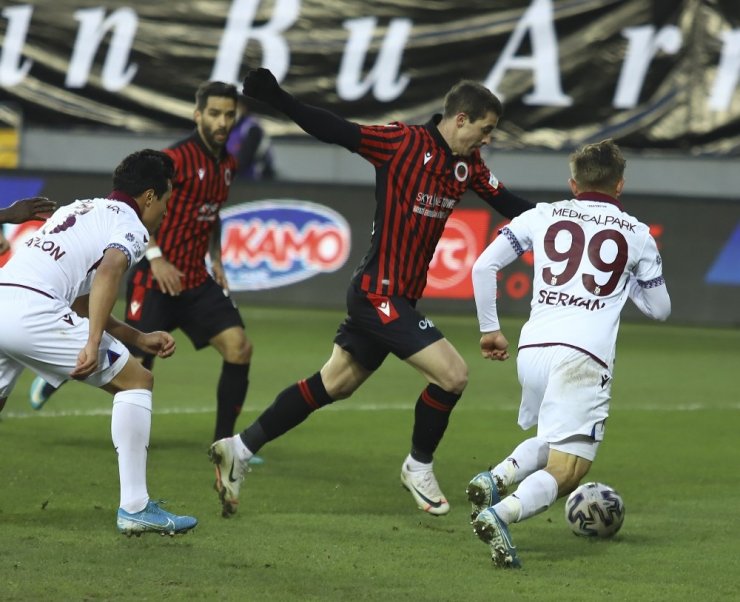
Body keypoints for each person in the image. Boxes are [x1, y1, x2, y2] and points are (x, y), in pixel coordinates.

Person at [207, 67, 535, 519]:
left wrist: (576, 215)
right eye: (485, 129)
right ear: (461, 119)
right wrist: (277, 98)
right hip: (379, 295)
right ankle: (418, 466)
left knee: (333, 384)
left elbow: (512, 205)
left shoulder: (468, 166)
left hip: (394, 299)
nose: (487, 140)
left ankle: (239, 448)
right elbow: (336, 130)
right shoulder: (402, 143)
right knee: (453, 375)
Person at [465, 139, 671, 568]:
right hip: (583, 357)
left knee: (557, 434)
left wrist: (490, 331)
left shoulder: (542, 215)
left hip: (533, 350)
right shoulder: (635, 233)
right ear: (620, 185)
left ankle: (496, 478)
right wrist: (626, 279)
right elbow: (660, 309)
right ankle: (499, 515)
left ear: (572, 183)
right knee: (569, 471)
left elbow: (483, 266)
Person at [28, 82, 259, 460]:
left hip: (195, 280)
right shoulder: (176, 159)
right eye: (214, 113)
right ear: (198, 115)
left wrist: (215, 257)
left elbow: (212, 213)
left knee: (239, 348)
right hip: (156, 279)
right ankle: (58, 375)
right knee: (134, 366)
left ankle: (224, 443)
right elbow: (132, 206)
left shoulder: (228, 165)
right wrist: (156, 257)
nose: (222, 121)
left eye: (229, 114)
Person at [0, 150, 197, 535]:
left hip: (5, 296)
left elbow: (79, 300)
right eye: (167, 200)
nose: (166, 212)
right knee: (137, 381)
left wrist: (138, 336)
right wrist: (92, 344)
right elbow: (110, 270)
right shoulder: (130, 224)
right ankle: (136, 507)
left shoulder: (79, 209)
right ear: (150, 197)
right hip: (33, 312)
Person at [226, 96, 276, 180]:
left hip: (255, 182)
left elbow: (243, 161)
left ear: (243, 108)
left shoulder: (252, 128)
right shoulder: (226, 128)